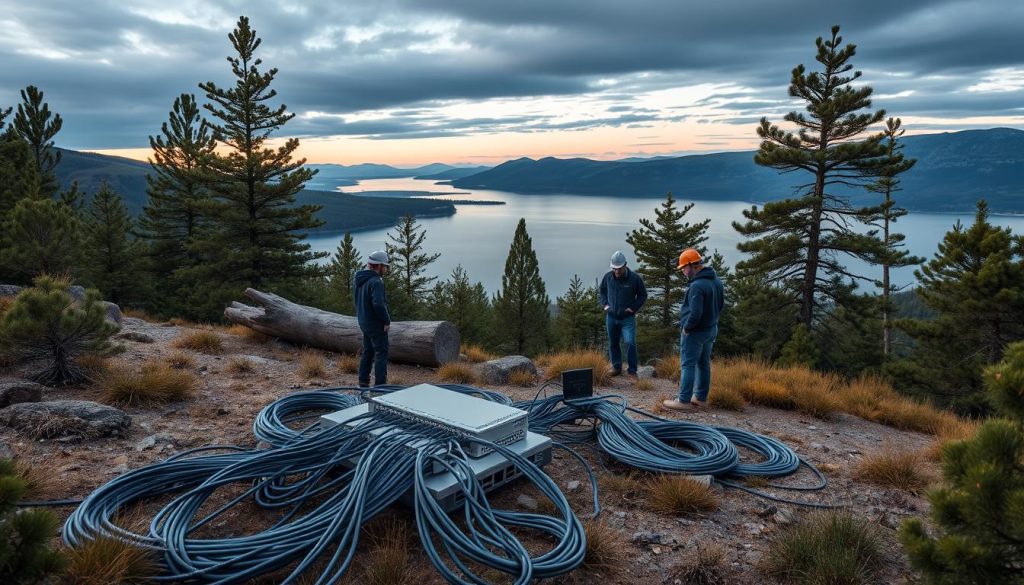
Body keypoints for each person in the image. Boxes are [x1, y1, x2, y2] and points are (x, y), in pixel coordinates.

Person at [663, 248, 724, 410]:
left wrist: (687, 329)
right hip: (711, 330)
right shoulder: (716, 281)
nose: (682, 271)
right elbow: (720, 306)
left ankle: (683, 400)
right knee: (703, 363)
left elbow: (696, 313)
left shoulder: (697, 286)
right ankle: (701, 398)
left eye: (683, 267)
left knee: (688, 365)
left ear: (692, 265)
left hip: (695, 333)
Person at [599, 250, 647, 376]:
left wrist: (633, 308)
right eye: (614, 268)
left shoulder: (635, 279)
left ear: (625, 265)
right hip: (611, 317)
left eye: (619, 268)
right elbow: (602, 291)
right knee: (613, 343)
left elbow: (643, 295)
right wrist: (605, 305)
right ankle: (616, 367)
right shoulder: (608, 277)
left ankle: (632, 371)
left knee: (630, 342)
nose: (617, 271)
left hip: (627, 318)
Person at [354, 250, 392, 387]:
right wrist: (386, 320)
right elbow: (378, 304)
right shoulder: (376, 282)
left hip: (364, 322)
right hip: (376, 324)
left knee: (368, 351)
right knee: (381, 353)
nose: (387, 269)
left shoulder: (359, 278)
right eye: (385, 266)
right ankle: (380, 387)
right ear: (379, 266)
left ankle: (363, 382)